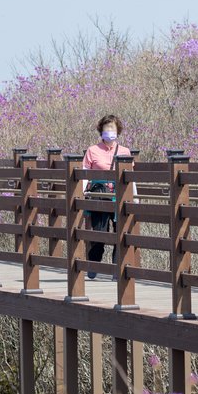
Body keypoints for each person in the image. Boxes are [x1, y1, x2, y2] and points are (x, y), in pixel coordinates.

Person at [79, 115, 131, 279]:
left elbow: (131, 175)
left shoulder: (124, 151)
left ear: (118, 131)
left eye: (113, 129)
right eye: (107, 128)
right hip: (99, 195)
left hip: (119, 196)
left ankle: (117, 269)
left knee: (119, 233)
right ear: (101, 131)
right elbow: (84, 174)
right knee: (99, 233)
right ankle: (94, 265)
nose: (110, 132)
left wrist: (134, 197)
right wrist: (83, 193)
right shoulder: (92, 150)